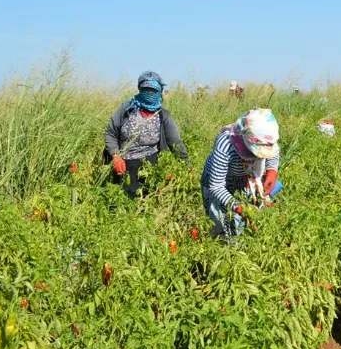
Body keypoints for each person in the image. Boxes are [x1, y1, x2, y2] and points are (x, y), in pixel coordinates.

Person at [104, 71, 189, 198]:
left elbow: (175, 142)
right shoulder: (127, 109)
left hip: (149, 165)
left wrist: (187, 166)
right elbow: (110, 132)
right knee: (120, 201)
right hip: (123, 164)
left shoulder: (162, 115)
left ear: (159, 91)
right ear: (139, 89)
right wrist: (115, 156)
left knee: (144, 202)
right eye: (146, 89)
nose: (149, 93)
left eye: (153, 90)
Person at [200, 108, 280, 238]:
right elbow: (216, 185)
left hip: (244, 177)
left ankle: (245, 242)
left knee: (252, 217)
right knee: (221, 220)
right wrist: (235, 206)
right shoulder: (226, 145)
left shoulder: (266, 139)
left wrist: (272, 171)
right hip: (221, 182)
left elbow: (272, 154)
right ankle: (225, 248)